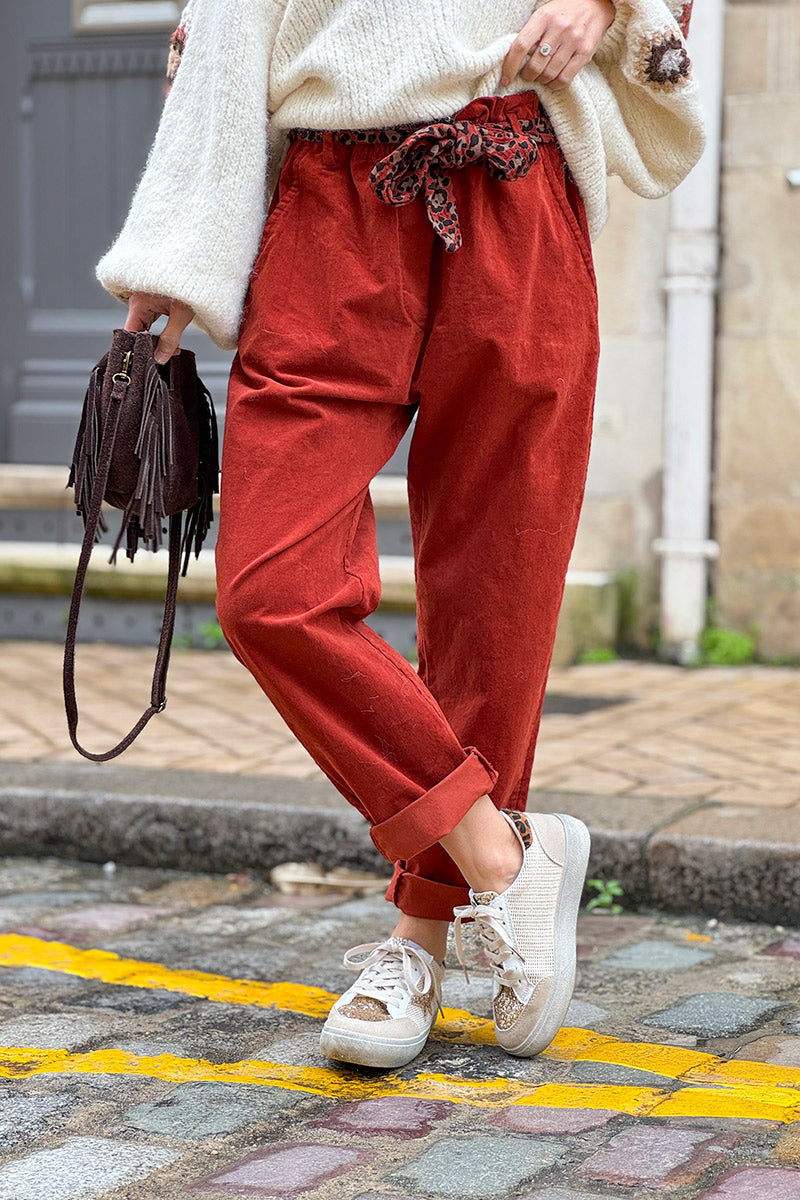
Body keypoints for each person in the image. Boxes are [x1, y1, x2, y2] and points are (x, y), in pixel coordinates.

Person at [95, 0, 704, 1070]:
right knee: (269, 591)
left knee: (495, 594)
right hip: (328, 212)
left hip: (516, 177)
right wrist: (175, 252)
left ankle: (420, 937)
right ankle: (501, 859)